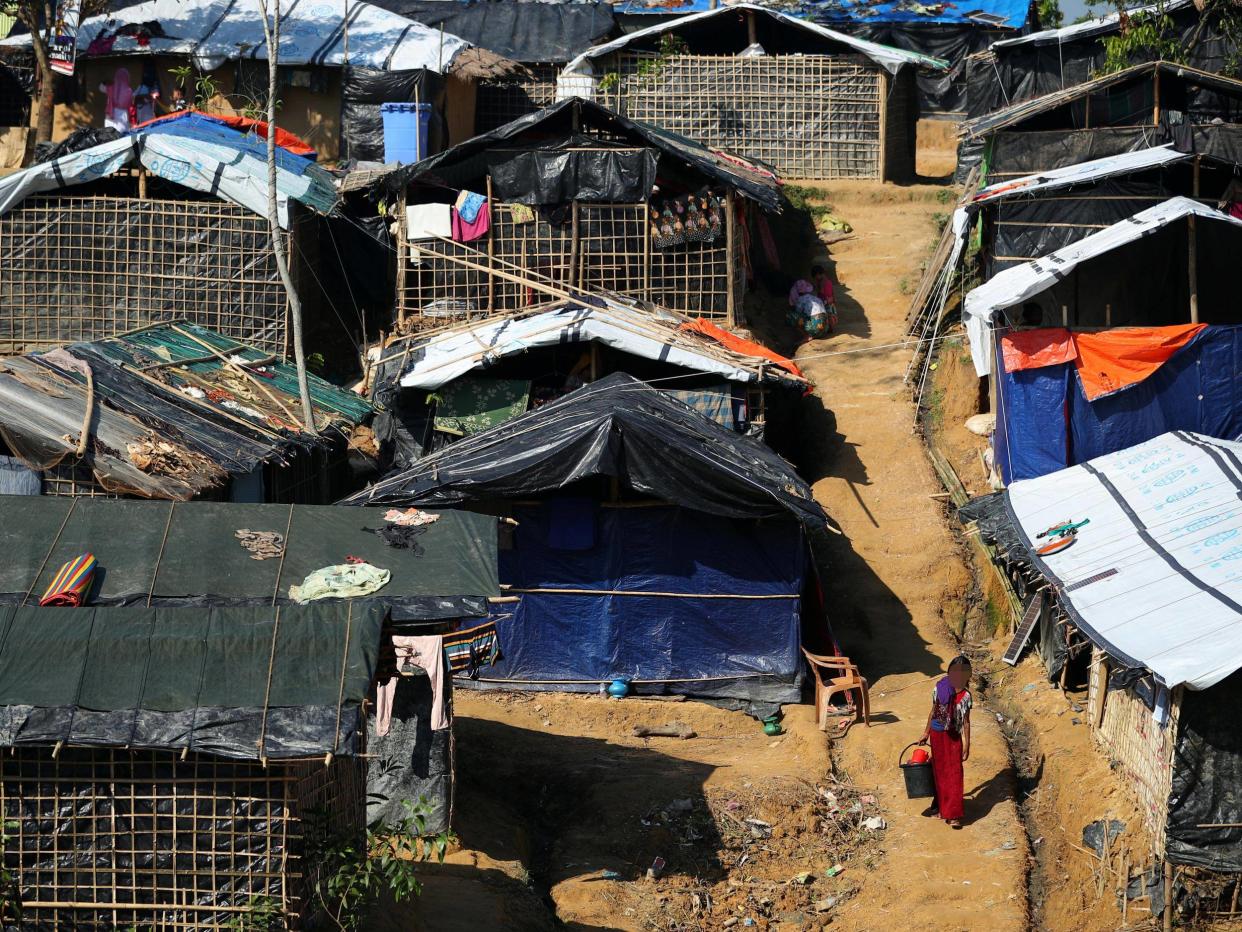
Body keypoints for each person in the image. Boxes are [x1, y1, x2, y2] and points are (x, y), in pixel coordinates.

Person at [918, 655, 972, 828]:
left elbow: (966, 722)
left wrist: (967, 744)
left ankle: (954, 814)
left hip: (953, 737)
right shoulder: (940, 688)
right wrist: (925, 733)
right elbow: (933, 711)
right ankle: (943, 809)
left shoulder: (965, 696)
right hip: (937, 735)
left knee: (954, 774)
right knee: (940, 773)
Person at [99, 66, 133, 132]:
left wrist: (106, 81)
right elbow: (130, 106)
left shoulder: (111, 88)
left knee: (110, 136)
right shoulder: (129, 90)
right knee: (121, 136)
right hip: (123, 115)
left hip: (111, 113)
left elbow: (100, 88)